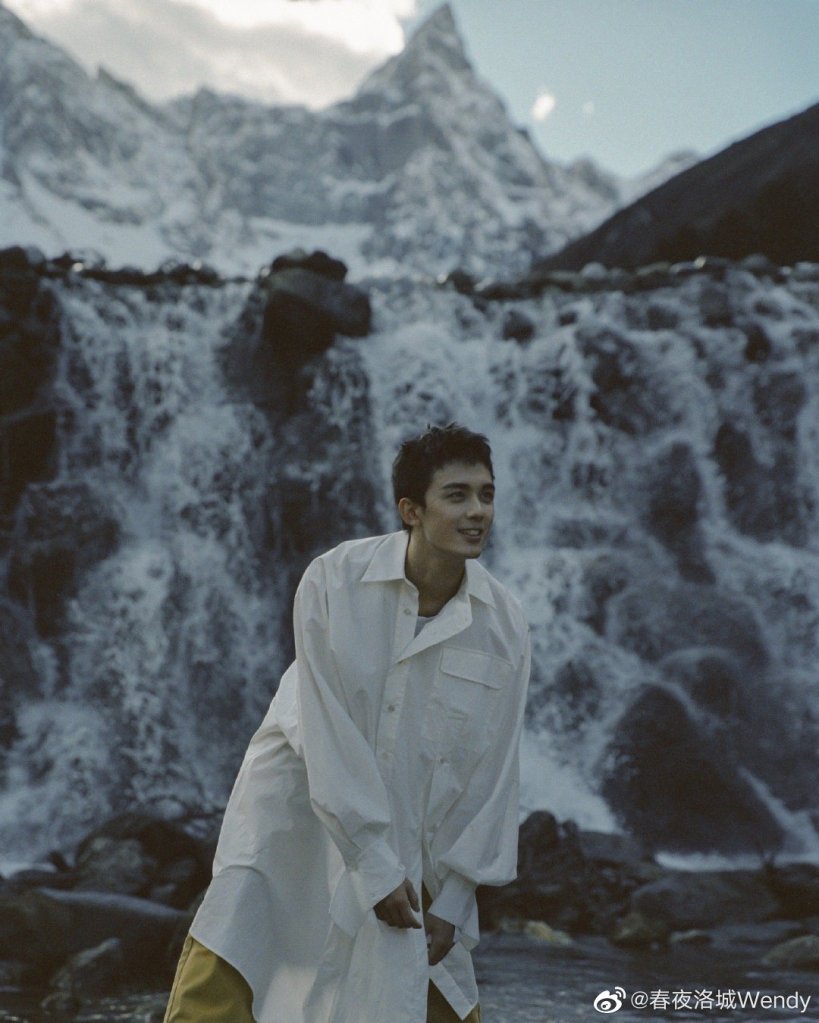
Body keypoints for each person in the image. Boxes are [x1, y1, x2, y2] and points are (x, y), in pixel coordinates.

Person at [164, 423, 531, 1023]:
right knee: (232, 970)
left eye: (486, 495)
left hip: (410, 829)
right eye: (457, 495)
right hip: (294, 810)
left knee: (422, 993)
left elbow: (495, 769)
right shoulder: (334, 580)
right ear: (410, 510)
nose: (478, 511)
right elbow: (323, 724)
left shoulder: (504, 624)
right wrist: (371, 860)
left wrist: (459, 895)